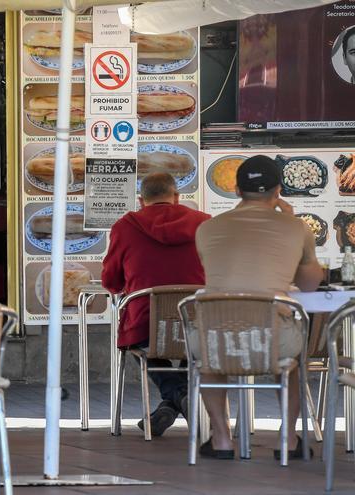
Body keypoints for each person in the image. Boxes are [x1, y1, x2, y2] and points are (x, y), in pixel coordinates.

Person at [194, 155, 323, 459]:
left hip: (216, 336)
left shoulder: (207, 229)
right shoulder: (297, 228)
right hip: (273, 339)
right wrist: (290, 219)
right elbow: (309, 286)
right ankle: (288, 440)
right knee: (291, 364)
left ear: (236, 190)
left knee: (209, 361)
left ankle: (222, 439)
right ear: (278, 190)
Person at [101, 172, 211, 436]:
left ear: (141, 200)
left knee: (145, 346)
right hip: (197, 321)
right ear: (176, 197)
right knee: (193, 349)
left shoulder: (125, 226)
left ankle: (175, 398)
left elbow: (111, 281)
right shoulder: (205, 223)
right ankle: (182, 396)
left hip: (146, 325)